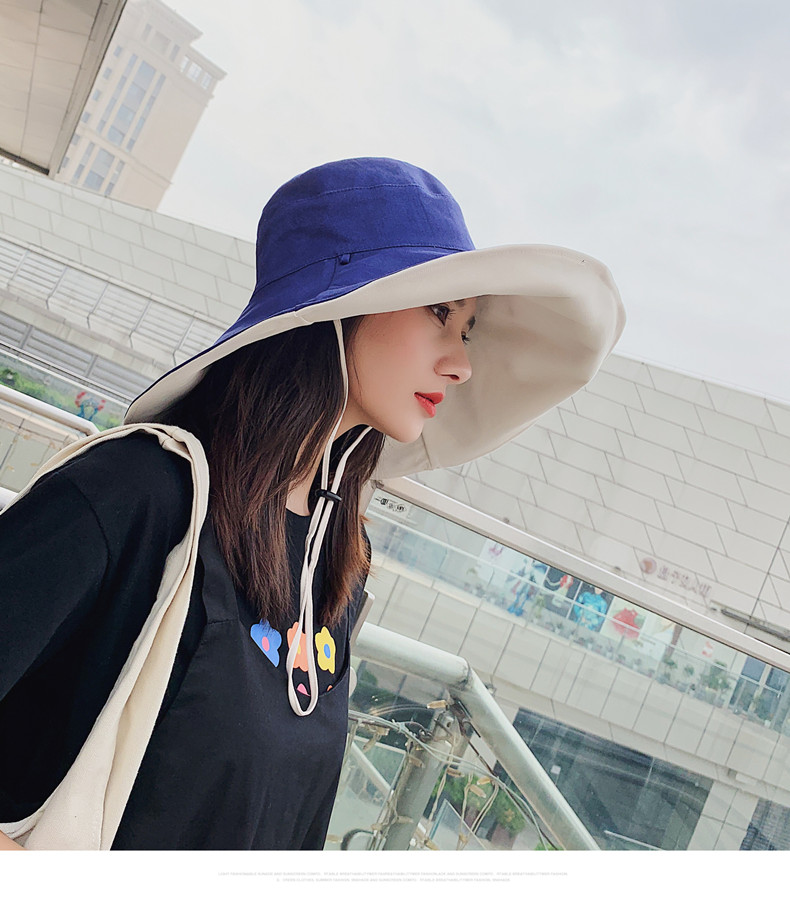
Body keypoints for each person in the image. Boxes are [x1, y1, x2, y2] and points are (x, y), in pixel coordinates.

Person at [0, 157, 625, 850]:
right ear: (338, 309)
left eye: (467, 331)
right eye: (440, 313)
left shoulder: (337, 564)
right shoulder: (137, 493)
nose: (462, 363)